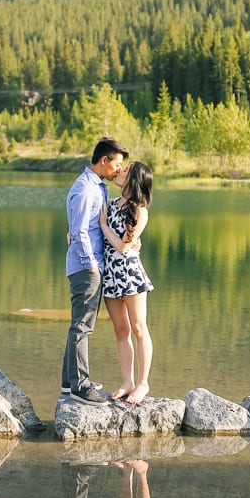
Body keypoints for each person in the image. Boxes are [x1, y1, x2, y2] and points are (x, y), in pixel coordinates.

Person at [61, 137, 128, 403]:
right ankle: (80, 386)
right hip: (86, 268)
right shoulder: (86, 189)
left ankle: (69, 383)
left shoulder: (96, 186)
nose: (118, 170)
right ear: (104, 161)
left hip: (88, 266)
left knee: (79, 325)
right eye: (117, 164)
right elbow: (77, 232)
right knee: (82, 326)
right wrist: (91, 264)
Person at [99, 160, 154, 405]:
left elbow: (123, 246)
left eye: (127, 169)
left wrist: (103, 225)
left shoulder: (140, 211)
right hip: (110, 274)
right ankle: (127, 382)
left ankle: (143, 384)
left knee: (139, 327)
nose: (120, 170)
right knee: (121, 331)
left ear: (135, 180)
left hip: (129, 274)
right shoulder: (109, 205)